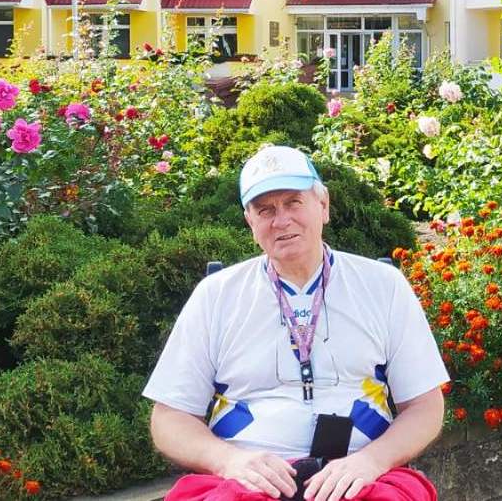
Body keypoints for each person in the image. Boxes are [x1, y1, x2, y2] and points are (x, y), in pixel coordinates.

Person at [143, 145, 449, 501]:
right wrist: (229, 461)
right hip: (248, 479)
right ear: (250, 222)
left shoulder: (383, 285)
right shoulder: (216, 295)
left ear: (323, 205)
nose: (281, 220)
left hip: (360, 474)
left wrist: (371, 461)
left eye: (293, 202)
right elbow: (169, 418)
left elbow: (425, 406)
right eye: (265, 210)